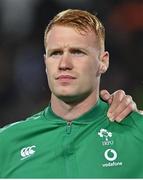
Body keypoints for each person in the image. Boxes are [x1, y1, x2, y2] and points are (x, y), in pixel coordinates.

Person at [0, 9, 142, 178]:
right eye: (56, 53)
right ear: (46, 63)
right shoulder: (7, 143)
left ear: (103, 62)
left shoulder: (137, 133)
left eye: (77, 52)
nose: (64, 64)